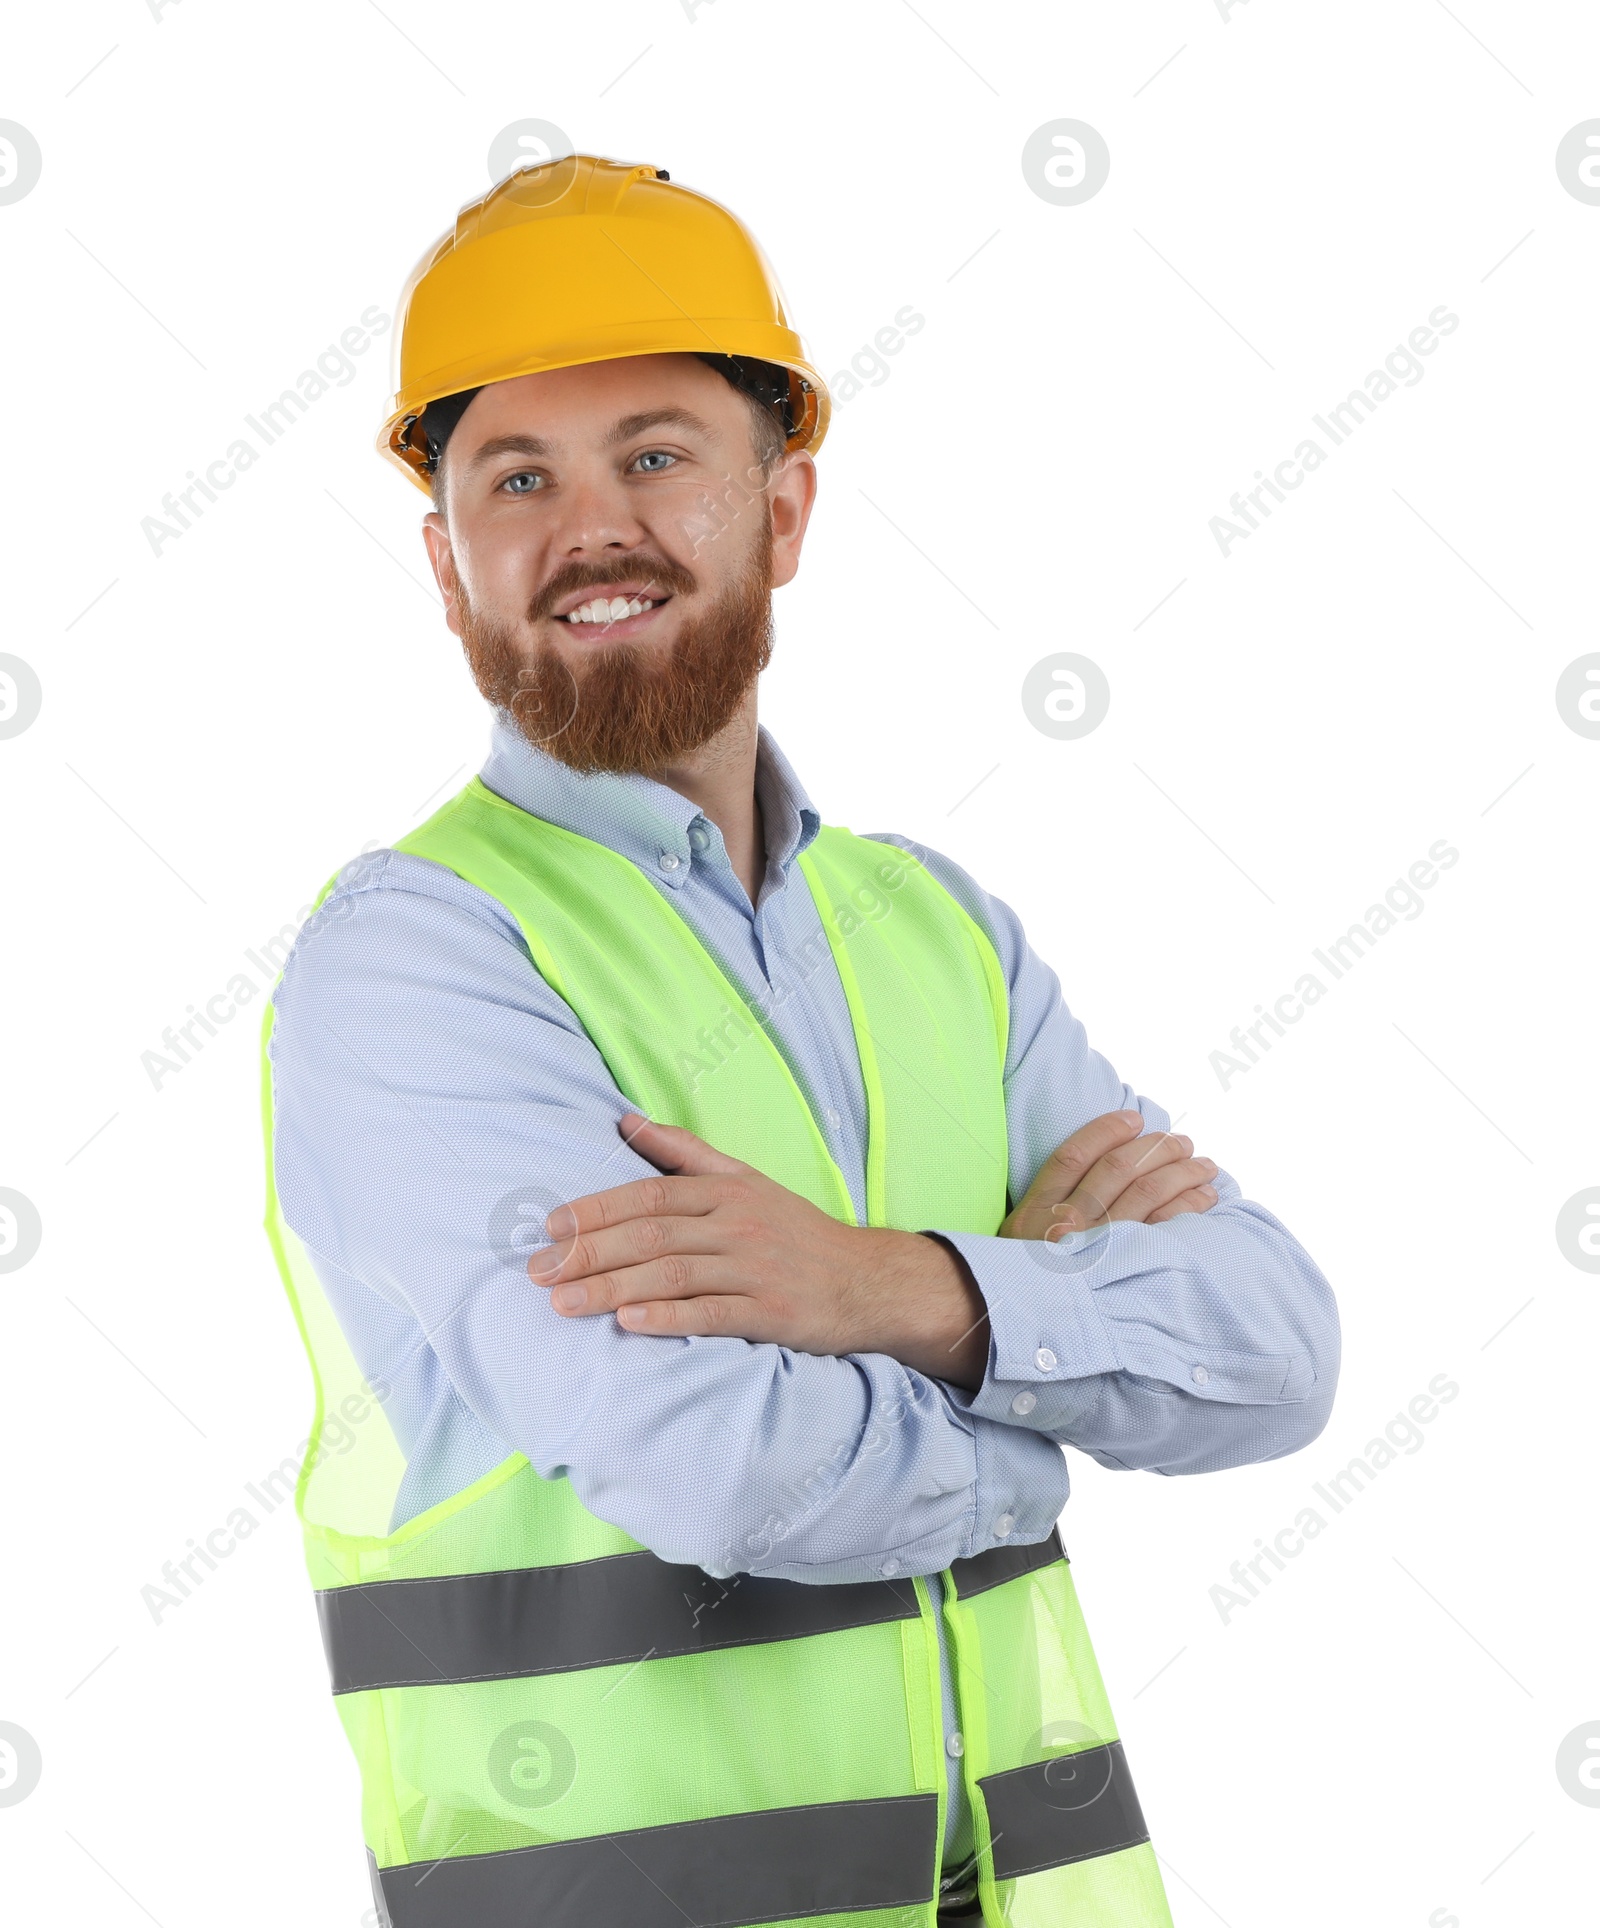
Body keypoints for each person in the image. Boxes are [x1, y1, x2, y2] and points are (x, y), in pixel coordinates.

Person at [261, 153, 1339, 1928]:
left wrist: (898, 1291)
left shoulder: (935, 932)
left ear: (787, 511)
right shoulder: (420, 962)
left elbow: (1279, 1350)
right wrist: (1050, 1391)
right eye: (515, 477)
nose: (588, 526)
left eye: (658, 455)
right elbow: (724, 1468)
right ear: (448, 562)